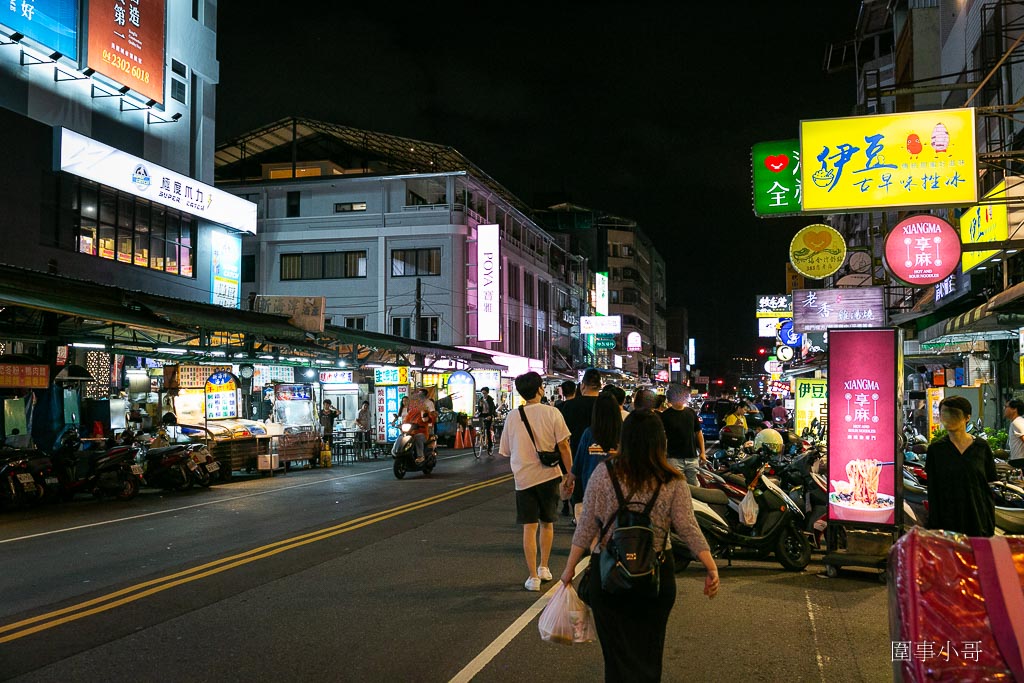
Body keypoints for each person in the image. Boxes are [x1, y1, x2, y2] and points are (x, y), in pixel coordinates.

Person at [559, 410, 718, 681]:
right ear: (660, 441)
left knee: (617, 656)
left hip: (609, 575)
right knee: (648, 652)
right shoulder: (673, 480)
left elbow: (586, 527)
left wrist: (568, 570)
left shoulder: (603, 473)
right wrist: (711, 567)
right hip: (655, 578)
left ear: (625, 438)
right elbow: (688, 528)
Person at [498, 371, 574, 591]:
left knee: (529, 528)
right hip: (549, 475)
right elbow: (564, 446)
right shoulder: (552, 413)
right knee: (547, 524)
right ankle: (544, 566)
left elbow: (506, 450)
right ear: (540, 389)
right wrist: (570, 473)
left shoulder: (513, 416)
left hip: (523, 478)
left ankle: (532, 577)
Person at [925, 396, 997, 537]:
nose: (948, 417)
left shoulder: (982, 447)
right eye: (944, 413)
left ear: (967, 417)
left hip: (978, 521)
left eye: (953, 413)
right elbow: (933, 491)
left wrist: (989, 522)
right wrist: (934, 527)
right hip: (947, 523)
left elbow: (988, 487)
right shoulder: (936, 450)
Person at [570, 392, 622, 527]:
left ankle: (596, 548)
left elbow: (578, 463)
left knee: (594, 528)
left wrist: (569, 480)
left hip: (592, 487)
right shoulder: (624, 433)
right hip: (619, 488)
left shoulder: (589, 433)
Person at [559, 368, 601, 516]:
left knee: (580, 496)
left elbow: (563, 436)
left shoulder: (570, 406)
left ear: (582, 386)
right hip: (602, 456)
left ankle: (581, 523)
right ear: (600, 385)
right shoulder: (606, 405)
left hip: (576, 454)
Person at [660, 383, 705, 485]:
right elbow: (662, 438)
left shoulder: (691, 413)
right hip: (673, 459)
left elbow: (698, 433)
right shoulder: (665, 416)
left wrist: (702, 452)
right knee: (676, 487)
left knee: (695, 487)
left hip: (692, 457)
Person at [1004, 398, 1024, 468]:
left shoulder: (1017, 422)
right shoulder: (1016, 422)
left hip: (1020, 461)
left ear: (1014, 409)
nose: (1005, 409)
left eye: (1006, 407)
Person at [477, 387, 498, 454]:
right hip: (482, 415)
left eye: (485, 393)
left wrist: (490, 415)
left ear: (487, 393)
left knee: (488, 430)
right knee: (477, 423)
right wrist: (480, 406)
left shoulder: (490, 400)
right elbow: (479, 410)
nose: (483, 395)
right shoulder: (480, 400)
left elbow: (491, 409)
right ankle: (480, 436)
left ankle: (490, 445)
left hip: (488, 415)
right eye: (482, 393)